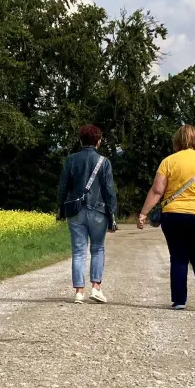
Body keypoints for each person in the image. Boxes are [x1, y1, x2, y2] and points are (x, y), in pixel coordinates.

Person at [136, 124, 195, 309]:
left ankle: (179, 301)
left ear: (176, 141)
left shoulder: (168, 161)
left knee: (178, 257)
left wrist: (144, 213)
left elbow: (157, 190)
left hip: (174, 216)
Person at [57, 124, 117, 303]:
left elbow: (62, 187)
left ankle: (78, 292)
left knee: (78, 251)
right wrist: (112, 214)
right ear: (98, 142)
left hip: (75, 210)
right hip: (98, 211)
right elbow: (109, 190)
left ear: (80, 140)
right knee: (97, 248)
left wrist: (60, 208)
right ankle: (96, 288)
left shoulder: (71, 160)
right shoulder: (104, 162)